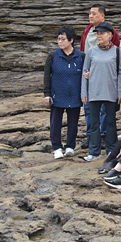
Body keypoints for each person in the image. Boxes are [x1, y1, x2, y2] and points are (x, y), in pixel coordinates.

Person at [80, 22, 121, 161]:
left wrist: (120, 93)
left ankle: (111, 150)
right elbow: (85, 72)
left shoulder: (117, 52)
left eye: (102, 33)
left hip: (111, 92)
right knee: (94, 124)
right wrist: (83, 93)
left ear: (110, 35)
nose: (99, 36)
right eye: (97, 34)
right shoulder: (92, 51)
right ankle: (94, 152)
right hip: (94, 92)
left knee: (110, 123)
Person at [43, 25, 84, 159]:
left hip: (75, 95)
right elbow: (46, 76)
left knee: (73, 122)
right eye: (58, 39)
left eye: (63, 39)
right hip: (57, 95)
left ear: (71, 40)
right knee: (56, 123)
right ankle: (57, 147)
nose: (60, 42)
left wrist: (85, 94)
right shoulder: (53, 55)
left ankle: (70, 146)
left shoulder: (81, 56)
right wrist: (47, 94)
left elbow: (86, 76)